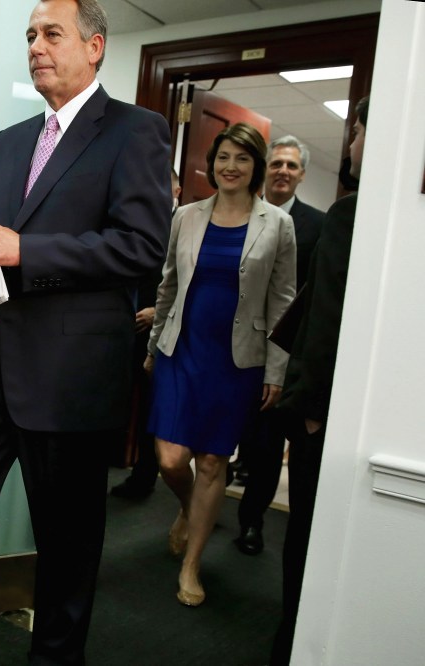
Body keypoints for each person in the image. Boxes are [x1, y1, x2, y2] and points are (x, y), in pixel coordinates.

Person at [0, 0, 172, 663]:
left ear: (95, 46)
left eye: (52, 33)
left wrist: (30, 251)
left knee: (65, 558)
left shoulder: (136, 131)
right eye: (29, 35)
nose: (36, 45)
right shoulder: (9, 141)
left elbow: (140, 249)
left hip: (70, 381)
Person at [145, 123, 296, 607]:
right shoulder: (186, 216)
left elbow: (283, 301)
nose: (231, 166)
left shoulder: (278, 224)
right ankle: (190, 509)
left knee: (212, 461)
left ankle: (192, 566)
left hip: (237, 361)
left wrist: (274, 370)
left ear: (256, 167)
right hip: (180, 350)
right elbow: (167, 285)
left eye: (243, 159)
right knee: (171, 458)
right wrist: (152, 344)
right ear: (212, 163)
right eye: (224, 157)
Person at [269, 95, 368, 665]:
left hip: (326, 410)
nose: (351, 141)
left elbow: (325, 317)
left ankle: (295, 645)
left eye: (355, 129)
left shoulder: (349, 218)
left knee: (310, 539)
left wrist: (309, 407)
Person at [233, 136, 326, 554]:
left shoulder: (318, 225)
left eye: (291, 166)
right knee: (237, 440)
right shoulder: (240, 213)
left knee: (268, 445)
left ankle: (251, 522)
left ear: (302, 174)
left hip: (285, 352)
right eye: (277, 164)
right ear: (264, 169)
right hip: (237, 346)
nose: (283, 172)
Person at [111, 167, 182, 500]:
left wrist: (157, 312)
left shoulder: (185, 227)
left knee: (150, 410)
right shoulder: (129, 225)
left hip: (161, 333)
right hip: (119, 329)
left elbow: (187, 283)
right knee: (115, 402)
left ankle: (144, 478)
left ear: (177, 191)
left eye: (163, 186)